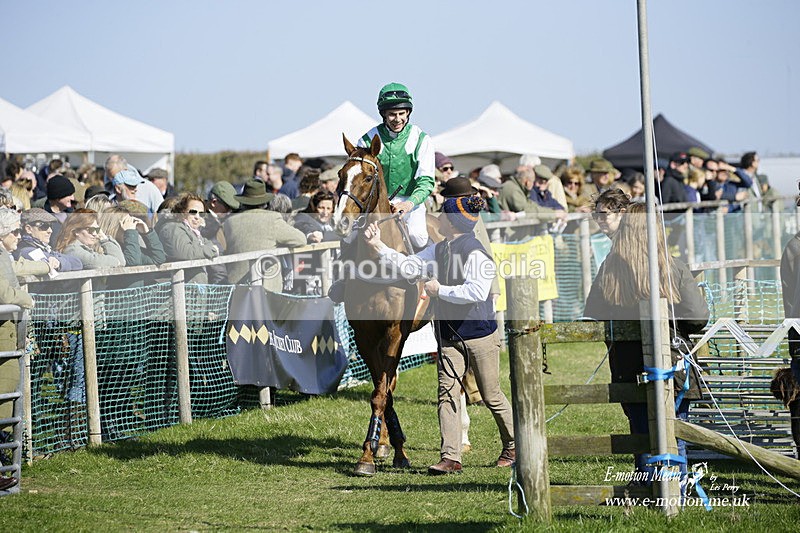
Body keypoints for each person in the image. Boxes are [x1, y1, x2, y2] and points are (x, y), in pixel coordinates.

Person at [363, 195, 515, 475]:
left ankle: (513, 445)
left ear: (452, 222)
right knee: (446, 394)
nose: (438, 218)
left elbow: (476, 292)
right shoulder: (440, 248)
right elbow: (410, 264)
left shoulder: (475, 252)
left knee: (491, 395)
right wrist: (378, 246)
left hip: (479, 334)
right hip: (448, 334)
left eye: (442, 215)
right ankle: (450, 457)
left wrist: (438, 290)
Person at [585, 196, 708, 483]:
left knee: (640, 429)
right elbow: (698, 317)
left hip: (628, 366)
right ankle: (677, 488)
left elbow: (594, 310)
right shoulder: (673, 266)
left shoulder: (610, 268)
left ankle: (645, 486)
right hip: (672, 364)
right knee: (675, 429)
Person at [358, 82, 435, 249]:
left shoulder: (421, 139)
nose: (398, 119)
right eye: (392, 114)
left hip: (409, 200)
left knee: (418, 236)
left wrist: (408, 204)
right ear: (384, 114)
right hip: (375, 203)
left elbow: (426, 182)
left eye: (402, 113)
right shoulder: (366, 140)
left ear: (408, 112)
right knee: (350, 236)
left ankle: (428, 270)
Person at [0, 208, 35, 491]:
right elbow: (4, 293)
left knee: (6, 400)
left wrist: (48, 266)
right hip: (3, 336)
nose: (19, 236)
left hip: (7, 335)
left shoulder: (4, 254)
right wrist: (27, 299)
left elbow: (18, 268)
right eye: (15, 231)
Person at [223, 179, 306, 291]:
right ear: (265, 201)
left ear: (243, 201)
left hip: (236, 288)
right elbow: (300, 240)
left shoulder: (229, 222)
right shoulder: (273, 218)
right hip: (267, 287)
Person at [157, 193, 219, 284]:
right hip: (174, 293)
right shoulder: (172, 228)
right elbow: (185, 252)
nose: (197, 217)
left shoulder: (192, 231)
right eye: (193, 212)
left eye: (201, 214)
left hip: (191, 291)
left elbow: (207, 243)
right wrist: (212, 250)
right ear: (182, 211)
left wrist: (209, 248)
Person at [15, 208, 83, 273]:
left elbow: (78, 263)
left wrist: (59, 263)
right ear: (29, 229)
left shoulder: (45, 248)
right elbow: (47, 260)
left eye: (51, 226)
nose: (50, 231)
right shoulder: (25, 250)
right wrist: (59, 262)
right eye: (44, 226)